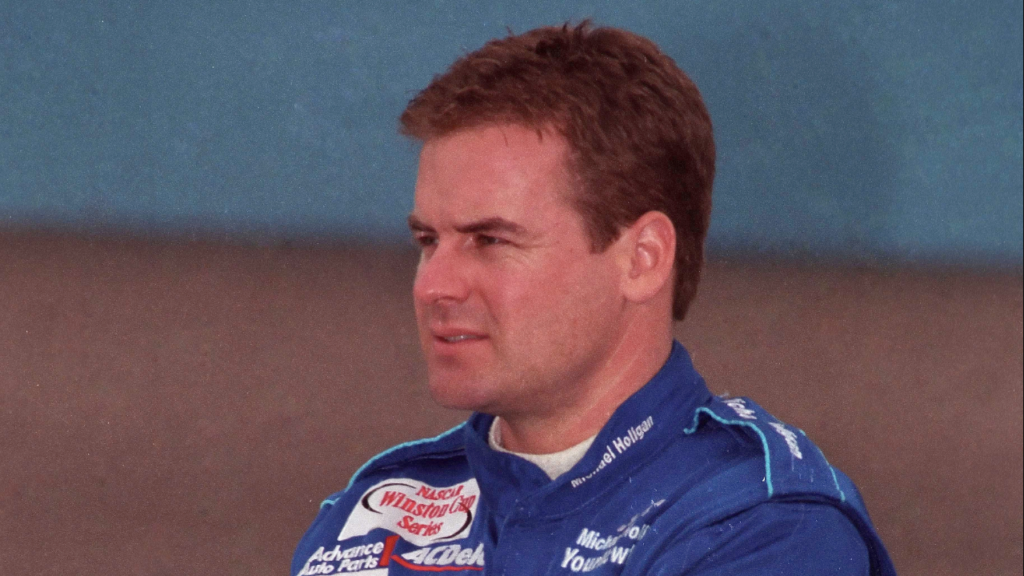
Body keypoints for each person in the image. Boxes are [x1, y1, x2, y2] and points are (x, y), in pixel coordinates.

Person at [293, 22, 896, 575]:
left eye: (491, 239)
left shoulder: (764, 527)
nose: (433, 286)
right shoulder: (370, 519)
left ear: (642, 259)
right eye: (429, 240)